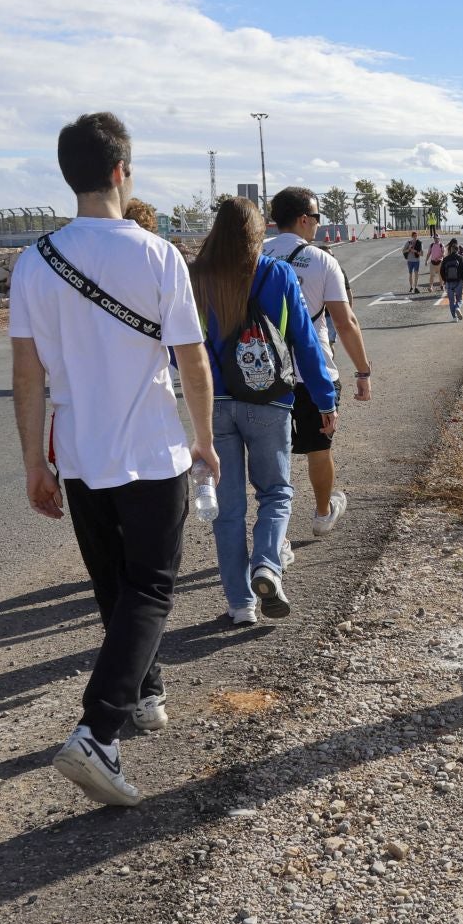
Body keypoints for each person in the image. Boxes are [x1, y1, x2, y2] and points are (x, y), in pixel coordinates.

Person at [9, 112, 218, 808]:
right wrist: (205, 438)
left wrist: (34, 462)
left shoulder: (34, 261)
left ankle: (138, 697)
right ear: (122, 171)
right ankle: (98, 729)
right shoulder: (157, 256)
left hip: (78, 454)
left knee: (114, 587)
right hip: (153, 451)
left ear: (69, 175)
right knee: (152, 588)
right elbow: (191, 359)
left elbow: (28, 373)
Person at [192, 198, 337, 623]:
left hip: (214, 405)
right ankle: (268, 566)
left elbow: (180, 347)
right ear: (258, 232)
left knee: (228, 507)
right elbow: (305, 343)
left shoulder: (196, 278)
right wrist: (325, 399)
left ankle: (240, 605)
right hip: (270, 401)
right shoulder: (276, 274)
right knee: (276, 493)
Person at [263, 187, 373, 537]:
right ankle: (323, 513)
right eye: (316, 217)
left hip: (264, 372)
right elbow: (345, 321)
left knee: (272, 452)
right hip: (315, 372)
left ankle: (274, 531)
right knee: (318, 448)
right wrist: (363, 371)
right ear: (303, 219)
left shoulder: (255, 255)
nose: (318, 225)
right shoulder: (321, 260)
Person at [439, 239, 463, 320]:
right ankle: (457, 307)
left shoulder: (446, 259)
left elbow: (441, 271)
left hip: (449, 282)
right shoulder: (461, 258)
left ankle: (454, 318)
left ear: (451, 249)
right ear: (458, 250)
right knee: (459, 299)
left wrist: (445, 280)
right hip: (459, 282)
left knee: (451, 301)